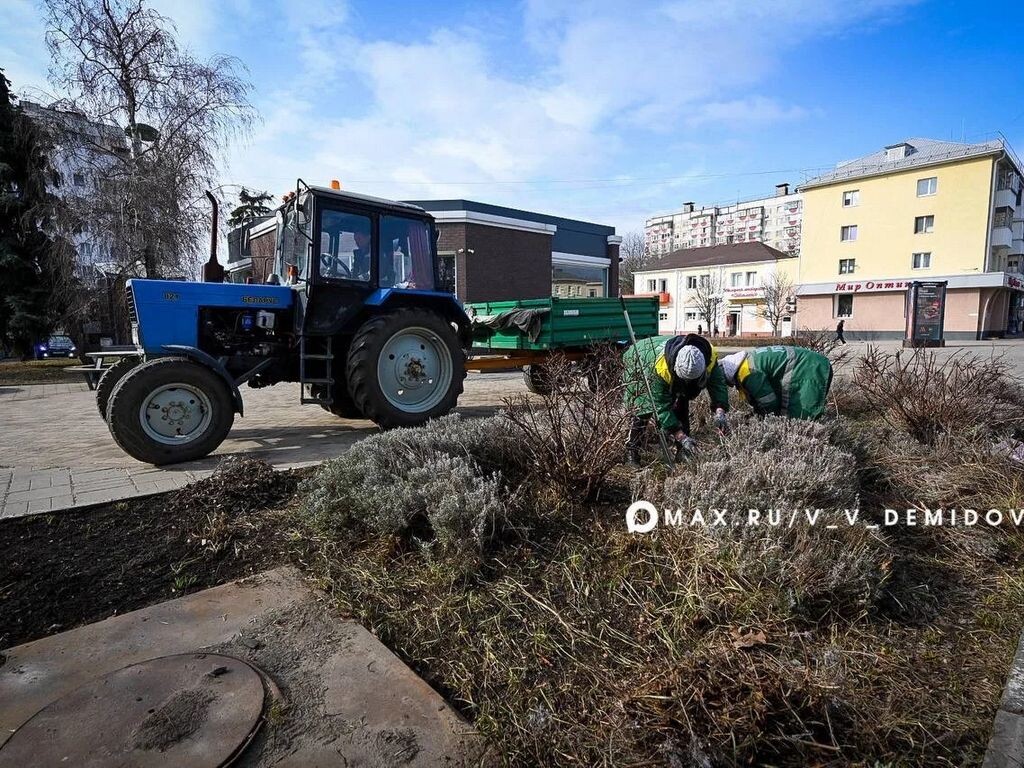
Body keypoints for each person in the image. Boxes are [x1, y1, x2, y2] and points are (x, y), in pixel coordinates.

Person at [622, 333, 730, 465]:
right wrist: (681, 437)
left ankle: (682, 453)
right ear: (676, 369)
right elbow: (661, 407)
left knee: (682, 403)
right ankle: (631, 452)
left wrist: (720, 411)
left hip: (662, 360)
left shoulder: (708, 357)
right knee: (643, 408)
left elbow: (717, 384)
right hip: (640, 360)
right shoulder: (660, 369)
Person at [718, 346, 834, 420]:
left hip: (810, 369)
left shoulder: (747, 372)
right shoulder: (745, 362)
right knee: (794, 417)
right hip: (811, 365)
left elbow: (769, 402)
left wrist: (764, 420)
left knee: (801, 417)